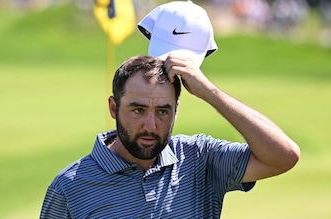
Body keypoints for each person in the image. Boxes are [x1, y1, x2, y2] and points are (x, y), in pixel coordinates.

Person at [40, 54, 300, 218]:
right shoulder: (70, 187)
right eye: (138, 110)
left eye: (163, 111)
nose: (151, 125)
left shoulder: (200, 158)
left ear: (176, 110)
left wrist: (209, 91)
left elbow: (284, 156)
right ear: (113, 108)